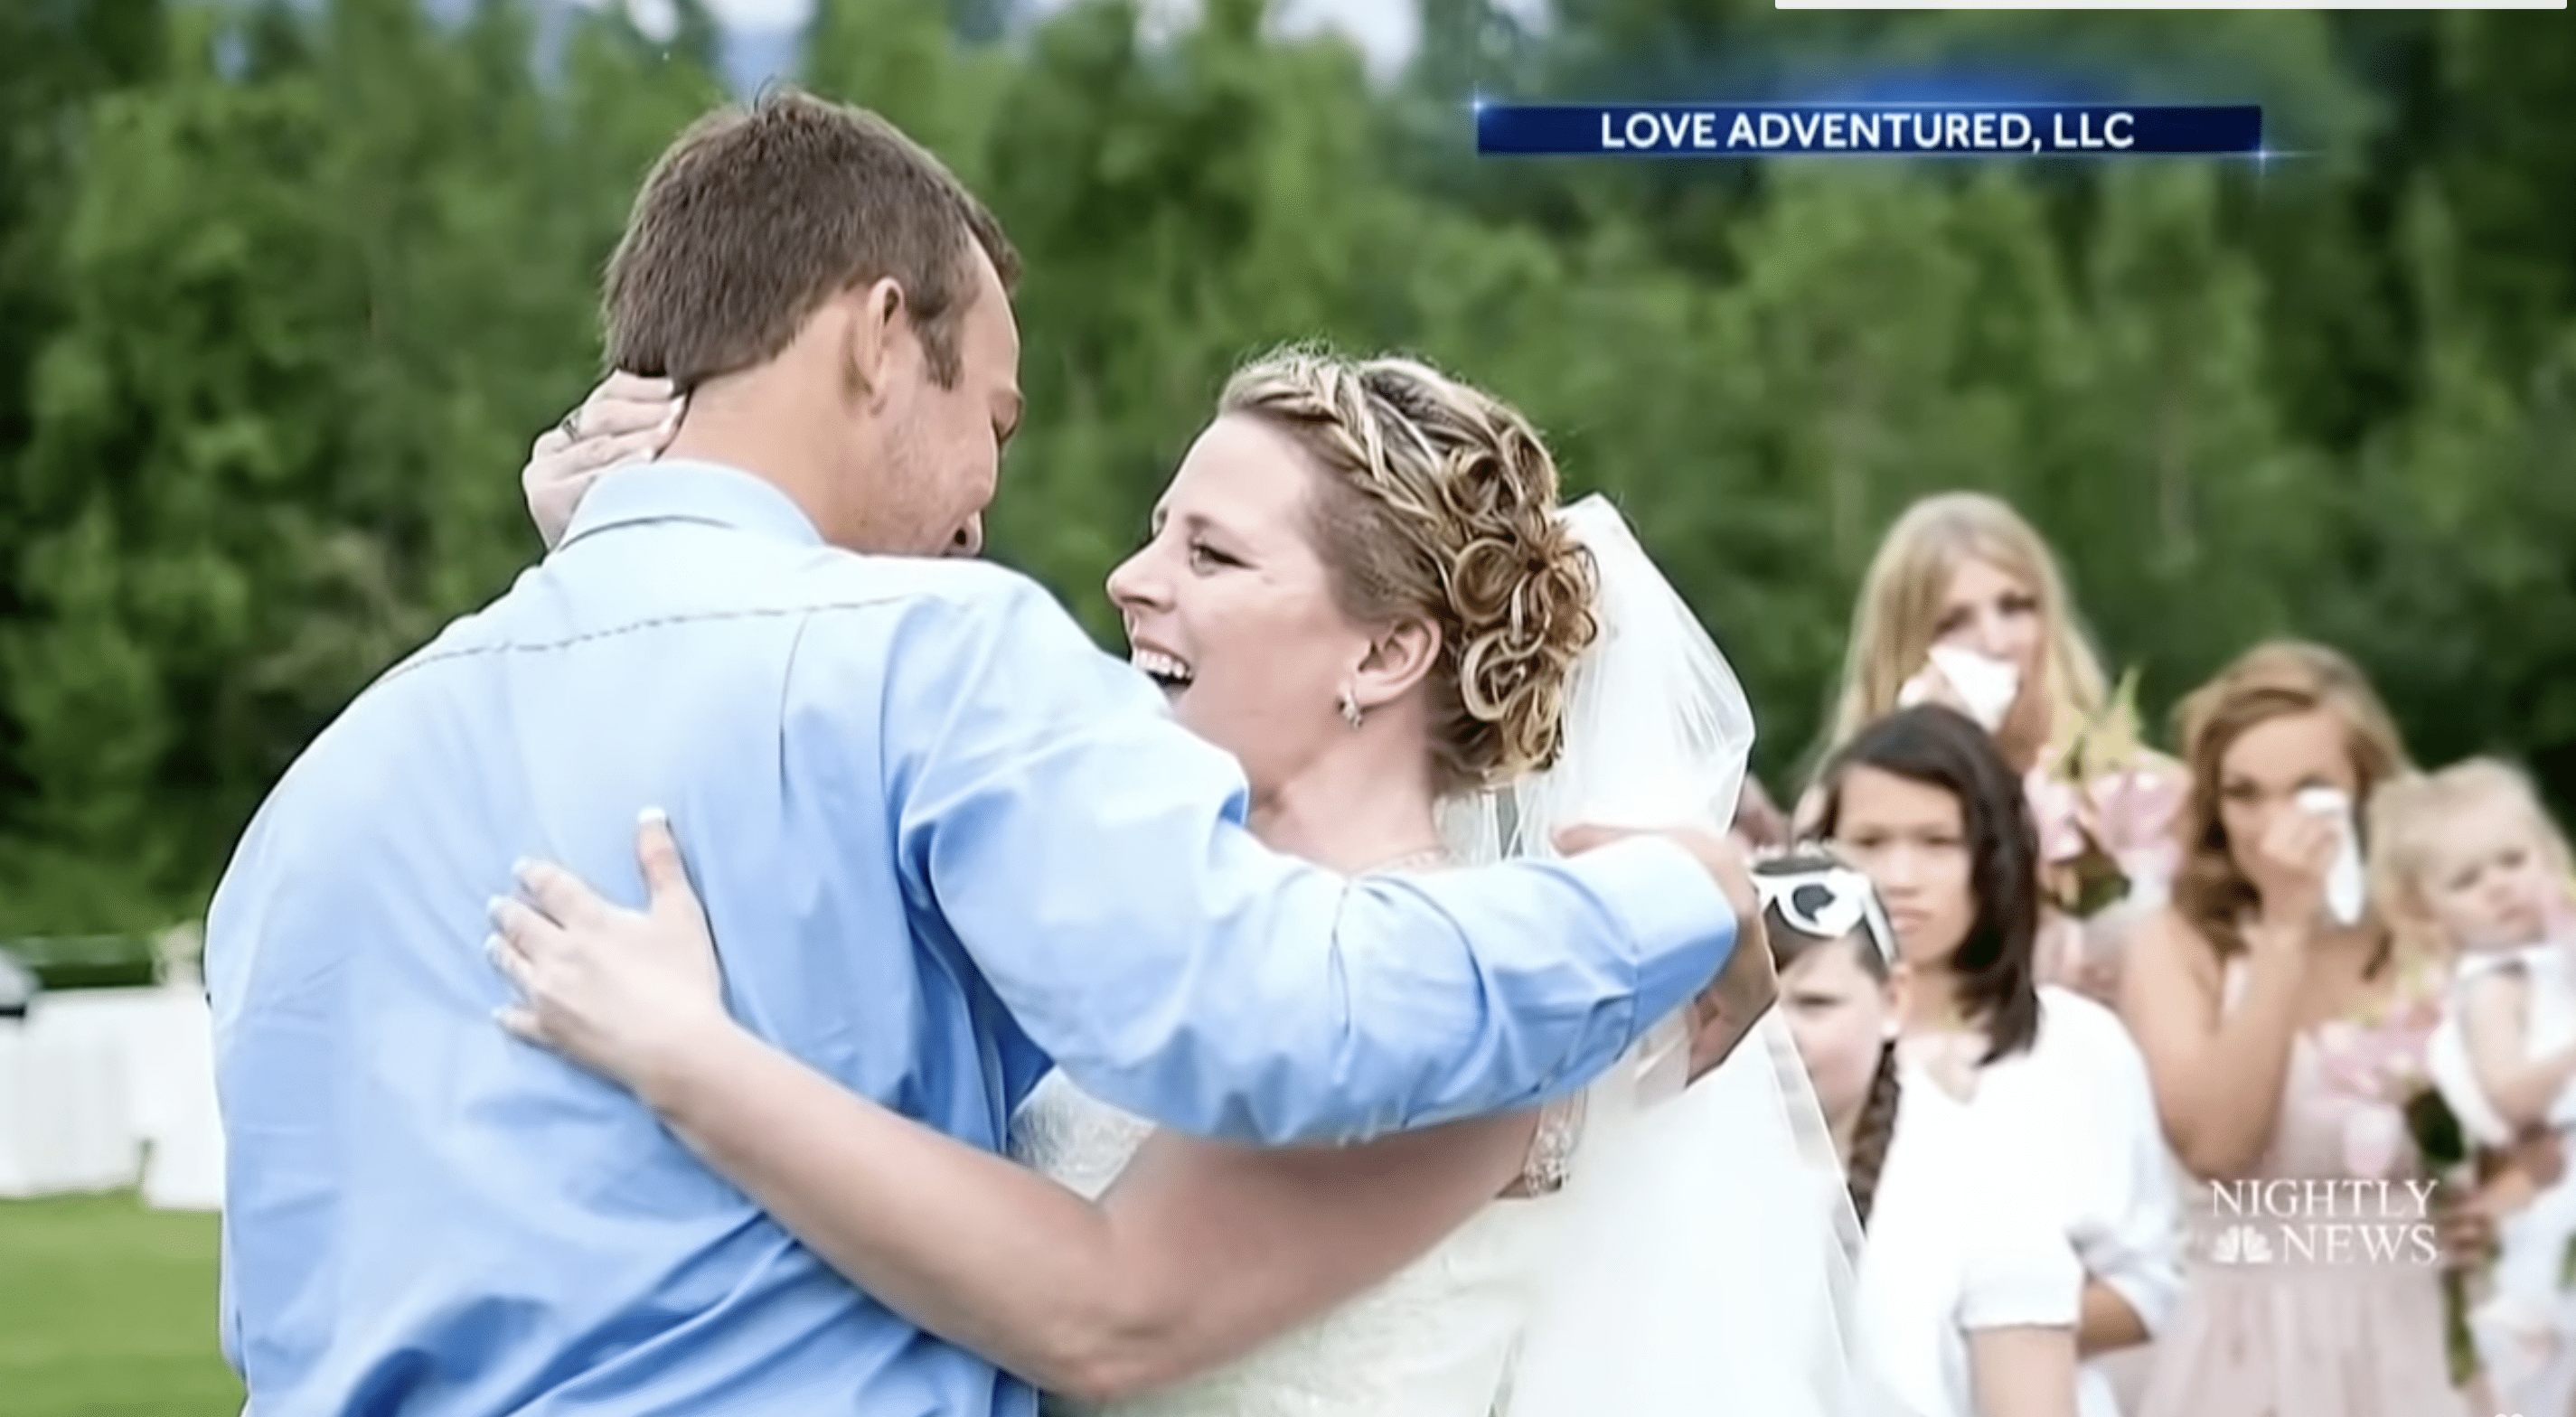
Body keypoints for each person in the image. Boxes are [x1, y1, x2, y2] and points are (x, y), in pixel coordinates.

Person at [202, 91, 1774, 1417]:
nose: (998, 514)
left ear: (1394, 649)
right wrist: (1681, 890)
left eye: (1212, 553)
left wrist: (613, 553)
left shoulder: (322, 792)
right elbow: (1287, 1007)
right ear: (884, 341)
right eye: (999, 424)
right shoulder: (925, 663)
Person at [497, 348, 1872, 1415]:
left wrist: (687, 1058)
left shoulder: (1476, 994)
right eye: (1160, 533)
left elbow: (1104, 1314)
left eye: (1209, 555)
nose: (1126, 579)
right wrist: (630, 551)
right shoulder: (1145, 925)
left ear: (1386, 656)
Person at [2118, 642, 2490, 1417]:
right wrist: (2284, 931)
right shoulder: (2178, 943)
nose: (2271, 825)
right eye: (2244, 794)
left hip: (2411, 1335)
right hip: (2244, 1344)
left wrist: (2492, 1202)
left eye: (2309, 790)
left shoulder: (2430, 934)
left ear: (2364, 787)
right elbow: (2217, 1149)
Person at [1809, 705, 2182, 1417]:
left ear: (1992, 855)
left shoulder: (2079, 1047)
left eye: (1936, 841)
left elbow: (2148, 1286)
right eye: (1869, 841)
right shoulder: (1796, 1047)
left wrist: (1984, 1311)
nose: (1900, 874)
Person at [1807, 493, 2184, 1007]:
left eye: (2016, 607)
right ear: (1905, 646)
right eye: (1952, 623)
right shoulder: (1843, 813)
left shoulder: (2143, 794)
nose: (1995, 641)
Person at [1756, 849, 2082, 1417]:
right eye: (1752, 1010)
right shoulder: (1668, 1182)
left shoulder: (1988, 1187)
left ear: (1893, 1000)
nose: (1778, 1039)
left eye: (1815, 1004)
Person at [2372, 757, 2576, 1416]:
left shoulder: (2550, 961)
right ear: (2425, 907)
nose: (2499, 887)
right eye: (2467, 880)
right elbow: (2514, 1096)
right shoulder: (2493, 987)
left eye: (2513, 861)